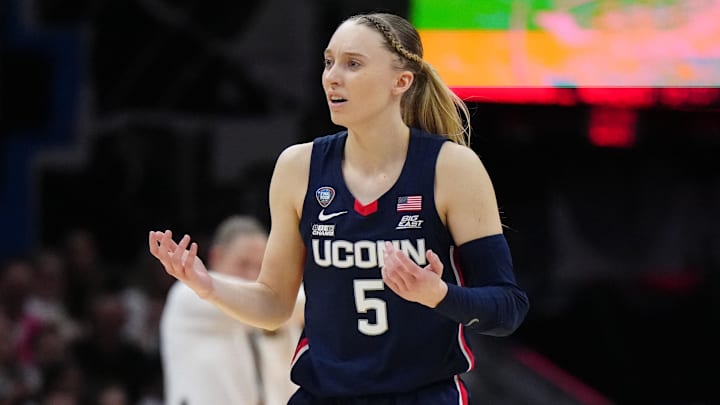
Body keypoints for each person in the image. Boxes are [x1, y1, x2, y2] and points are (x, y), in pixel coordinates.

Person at [149, 11, 529, 404]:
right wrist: (208, 286)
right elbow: (274, 304)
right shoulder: (298, 168)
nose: (332, 76)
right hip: (323, 395)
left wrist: (438, 294)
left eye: (353, 64)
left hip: (420, 396)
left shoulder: (451, 169)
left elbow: (507, 309)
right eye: (329, 61)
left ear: (401, 81)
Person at [159, 215, 304, 405]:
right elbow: (294, 303)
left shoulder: (276, 313)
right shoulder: (187, 295)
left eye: (260, 266)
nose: (253, 275)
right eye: (244, 264)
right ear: (216, 256)